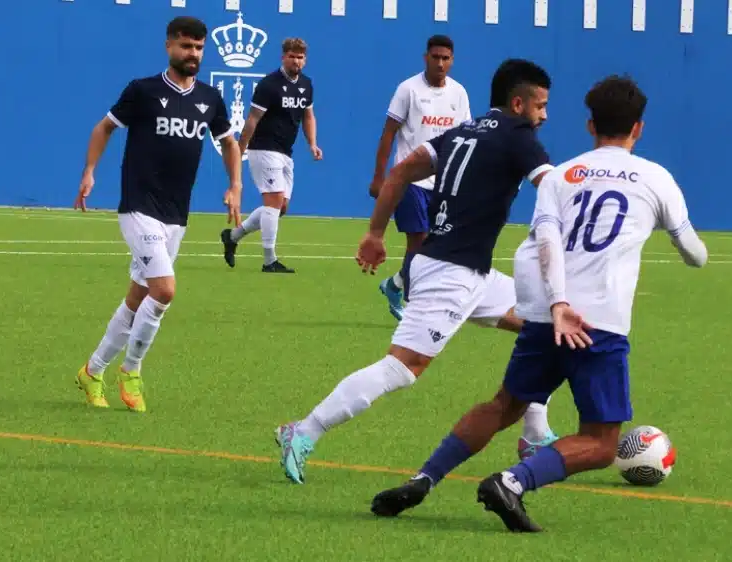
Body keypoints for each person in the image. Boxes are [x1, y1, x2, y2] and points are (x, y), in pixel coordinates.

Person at [368, 75, 709, 532]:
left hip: (547, 315)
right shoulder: (656, 177)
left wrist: (556, 303)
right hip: (597, 324)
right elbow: (694, 255)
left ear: (590, 125)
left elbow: (545, 238)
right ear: (639, 129)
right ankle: (512, 481)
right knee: (603, 443)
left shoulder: (563, 174)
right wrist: (673, 233)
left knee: (504, 405)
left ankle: (424, 478)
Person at [274, 59, 576, 485]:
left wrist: (375, 234)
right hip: (448, 275)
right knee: (402, 369)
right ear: (517, 103)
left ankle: (534, 432)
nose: (544, 116)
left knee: (547, 326)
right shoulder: (518, 135)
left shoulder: (461, 132)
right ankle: (302, 431)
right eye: (540, 106)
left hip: (470, 272)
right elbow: (552, 186)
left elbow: (399, 172)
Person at [72, 16, 242, 412]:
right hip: (138, 205)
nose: (193, 54)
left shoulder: (210, 98)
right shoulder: (143, 91)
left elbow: (230, 143)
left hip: (175, 213)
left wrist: (235, 186)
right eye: (186, 46)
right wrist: (89, 172)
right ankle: (131, 371)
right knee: (164, 290)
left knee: (139, 296)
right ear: (169, 47)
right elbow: (104, 128)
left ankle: (92, 371)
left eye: (199, 48)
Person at [371, 35, 471, 321]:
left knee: (434, 247)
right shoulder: (408, 90)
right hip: (410, 180)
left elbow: (465, 138)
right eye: (435, 57)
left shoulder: (459, 94)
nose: (440, 63)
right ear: (425, 57)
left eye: (445, 58)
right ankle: (414, 308)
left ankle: (395, 285)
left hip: (442, 182)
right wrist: (380, 179)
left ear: (452, 61)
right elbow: (388, 134)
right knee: (419, 241)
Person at [220, 37, 322, 273]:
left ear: (305, 60)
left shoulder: (306, 84)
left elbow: (308, 116)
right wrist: (240, 149)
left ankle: (232, 237)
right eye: (292, 56)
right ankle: (269, 261)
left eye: (300, 57)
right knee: (273, 201)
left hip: (286, 151)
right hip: (263, 148)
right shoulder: (269, 84)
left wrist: (313, 144)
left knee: (280, 206)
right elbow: (252, 119)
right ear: (283, 57)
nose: (296, 61)